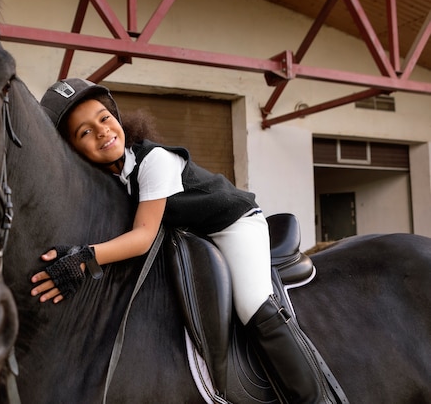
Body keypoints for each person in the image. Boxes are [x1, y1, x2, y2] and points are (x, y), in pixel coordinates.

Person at [31, 78, 339, 403]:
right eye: (85, 132)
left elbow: (142, 238)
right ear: (74, 149)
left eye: (104, 118)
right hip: (196, 235)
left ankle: (311, 395)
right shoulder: (114, 178)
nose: (102, 131)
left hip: (234, 224)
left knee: (253, 303)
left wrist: (84, 259)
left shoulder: (154, 162)